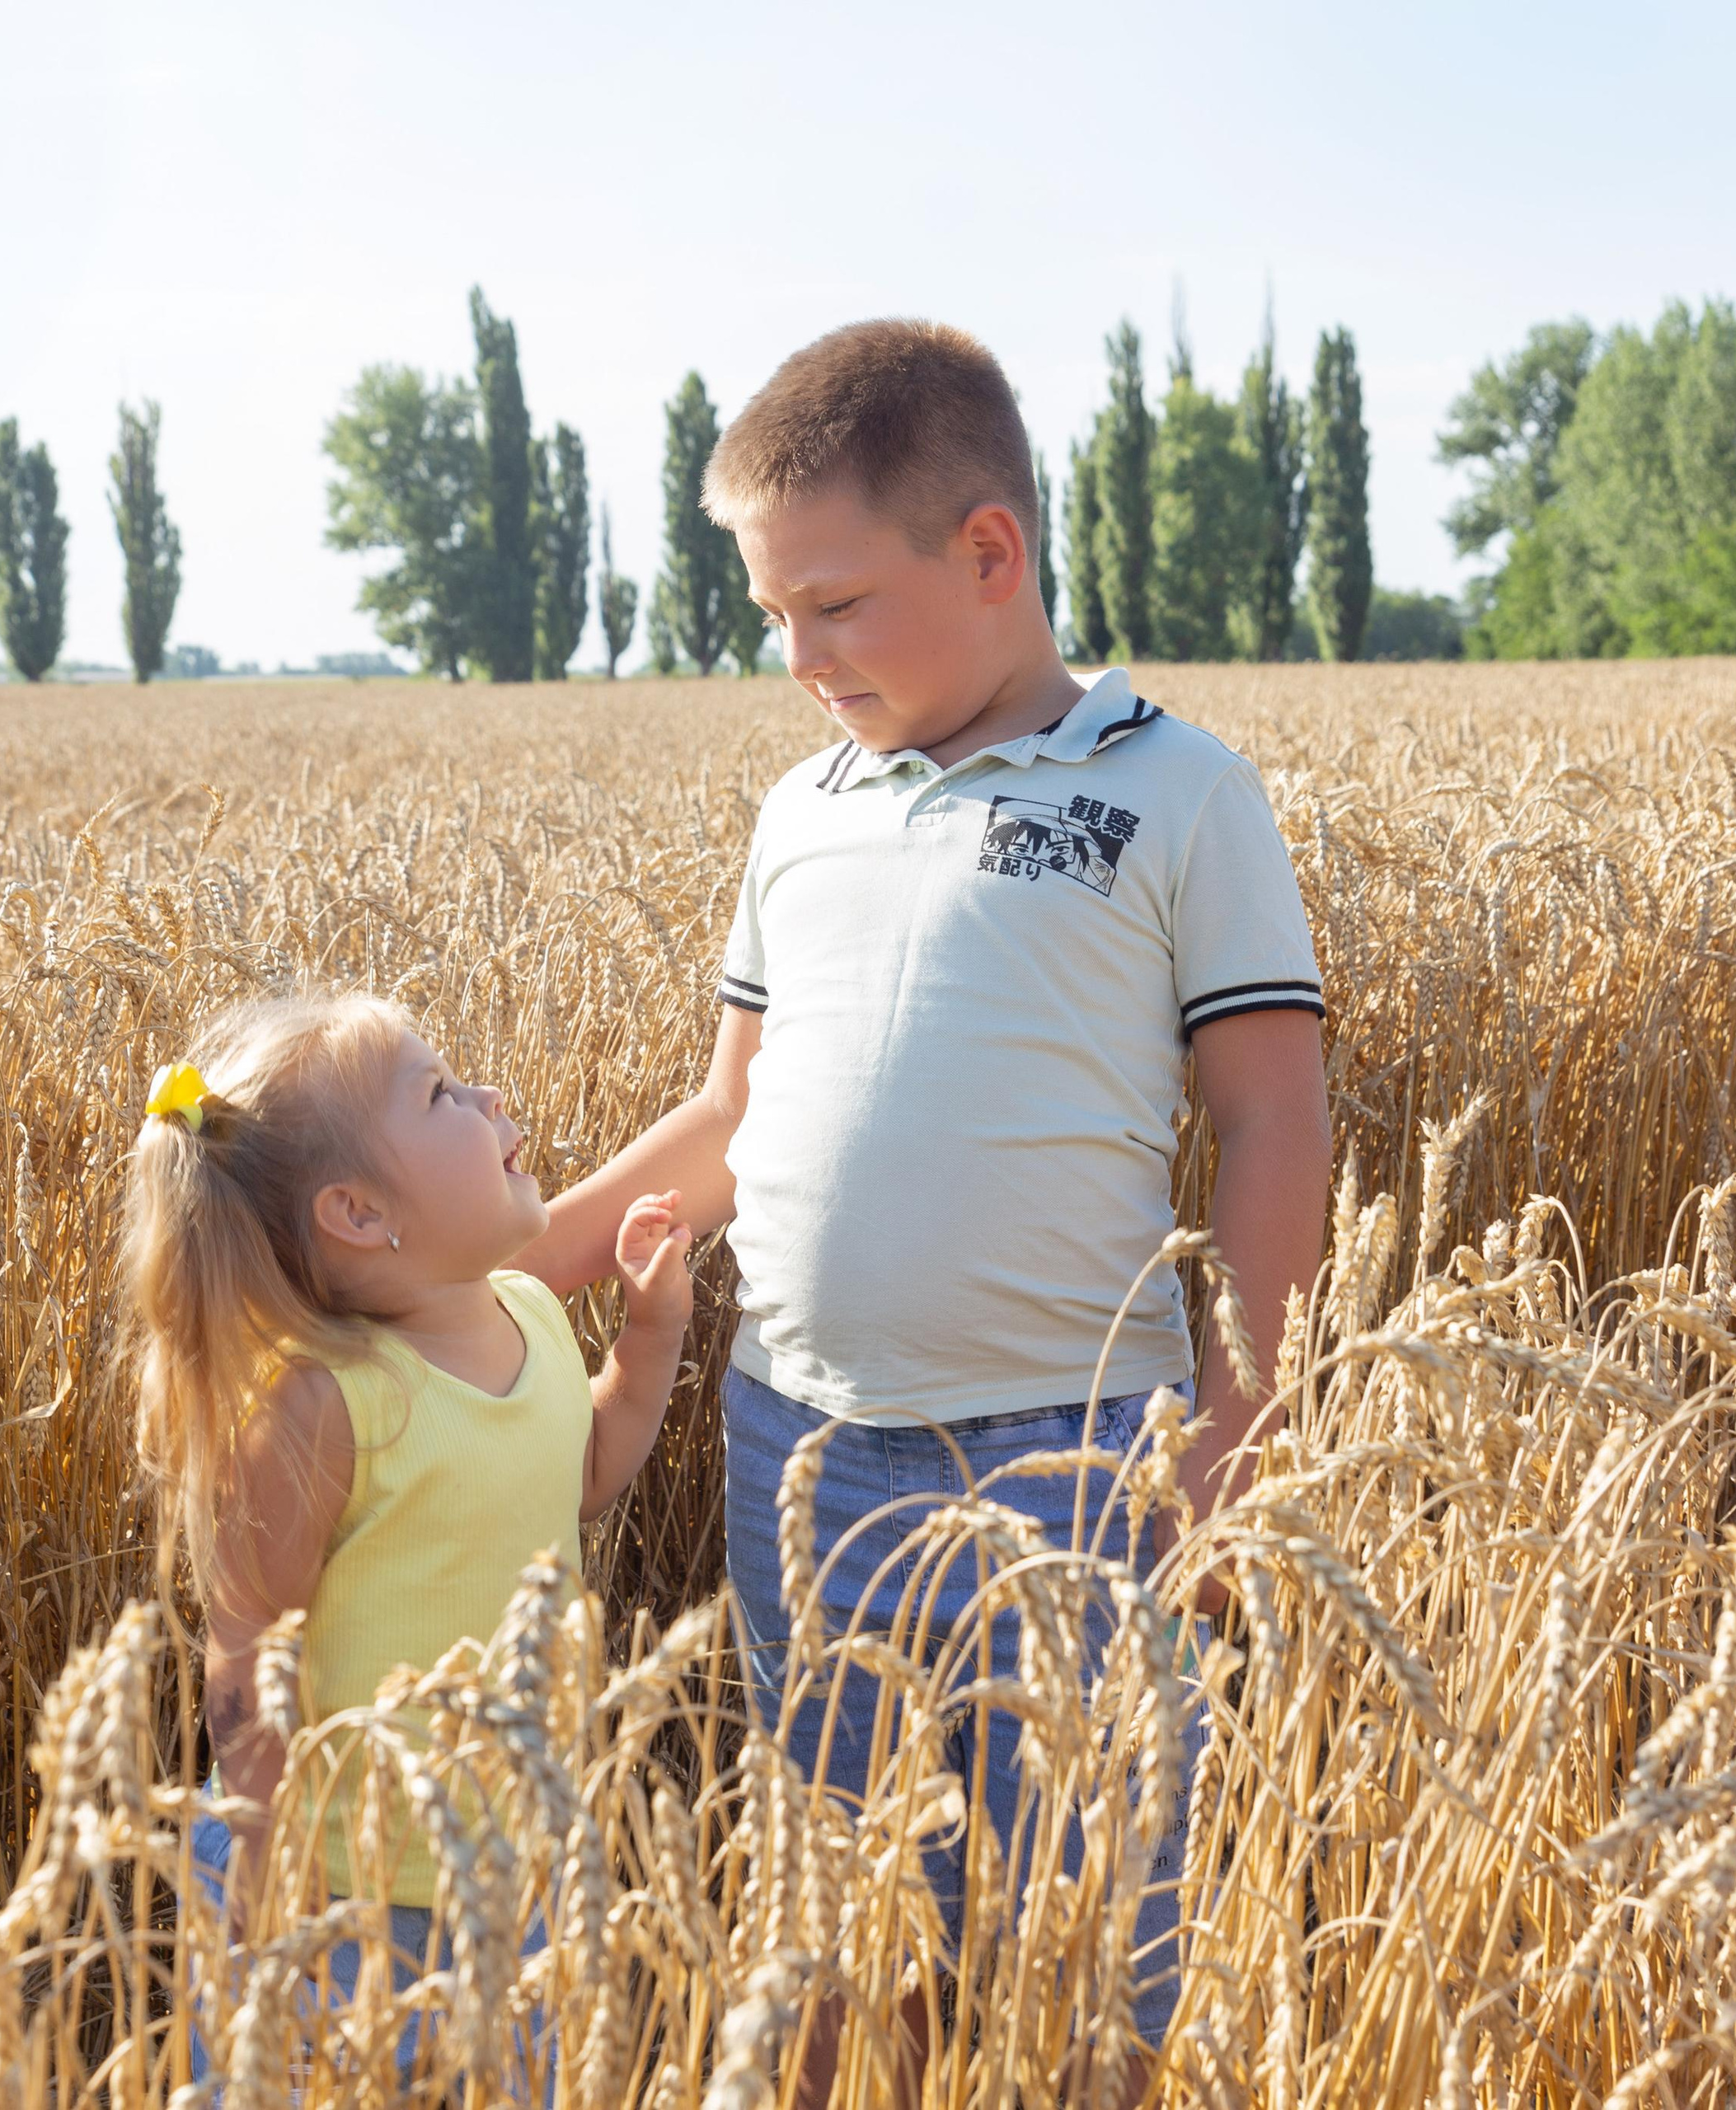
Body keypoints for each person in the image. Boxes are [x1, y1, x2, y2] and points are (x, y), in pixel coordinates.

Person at [518, 319, 1333, 2093]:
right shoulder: (799, 811)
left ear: (986, 553)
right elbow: (727, 1113)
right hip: (794, 1445)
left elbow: (1270, 1118)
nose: (796, 659)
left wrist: (1240, 1422)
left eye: (833, 606)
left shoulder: (1171, 790)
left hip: (1080, 1466)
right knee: (832, 1918)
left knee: (1087, 1930)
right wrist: (511, 1263)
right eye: (769, 619)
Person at [124, 991, 694, 2094]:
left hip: (517, 1869)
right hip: (339, 1899)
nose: (488, 1096)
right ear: (361, 1213)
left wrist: (652, 1333)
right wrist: (259, 1873)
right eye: (440, 1093)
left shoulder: (528, 1313)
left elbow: (578, 1474)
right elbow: (249, 1655)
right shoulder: (322, 1407)